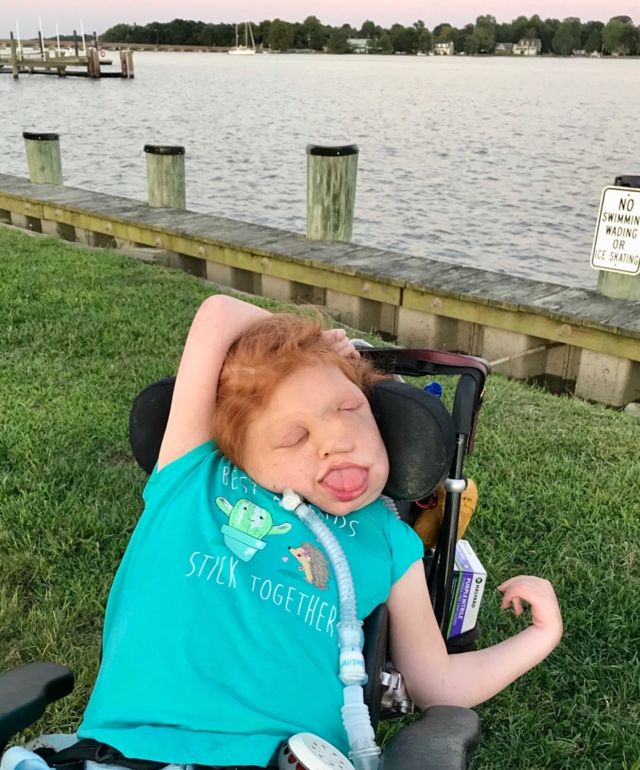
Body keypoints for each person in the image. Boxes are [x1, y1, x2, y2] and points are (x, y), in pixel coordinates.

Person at [75, 294, 562, 769]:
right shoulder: (193, 474)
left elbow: (438, 684)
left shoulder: (389, 540)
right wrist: (308, 339)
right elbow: (217, 314)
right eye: (295, 436)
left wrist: (542, 634)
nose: (336, 441)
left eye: (350, 410)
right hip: (126, 751)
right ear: (239, 453)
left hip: (288, 757)